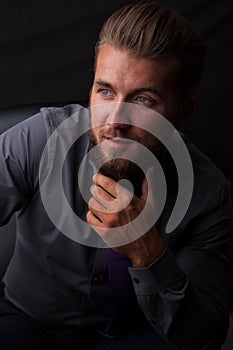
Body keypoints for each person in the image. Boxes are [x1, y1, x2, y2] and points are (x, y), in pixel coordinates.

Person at [0, 2, 232, 349]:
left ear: (182, 112)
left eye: (143, 100)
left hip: (142, 336)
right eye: (105, 91)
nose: (115, 121)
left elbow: (203, 335)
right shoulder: (40, 140)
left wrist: (149, 254)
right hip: (28, 323)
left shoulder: (209, 196)